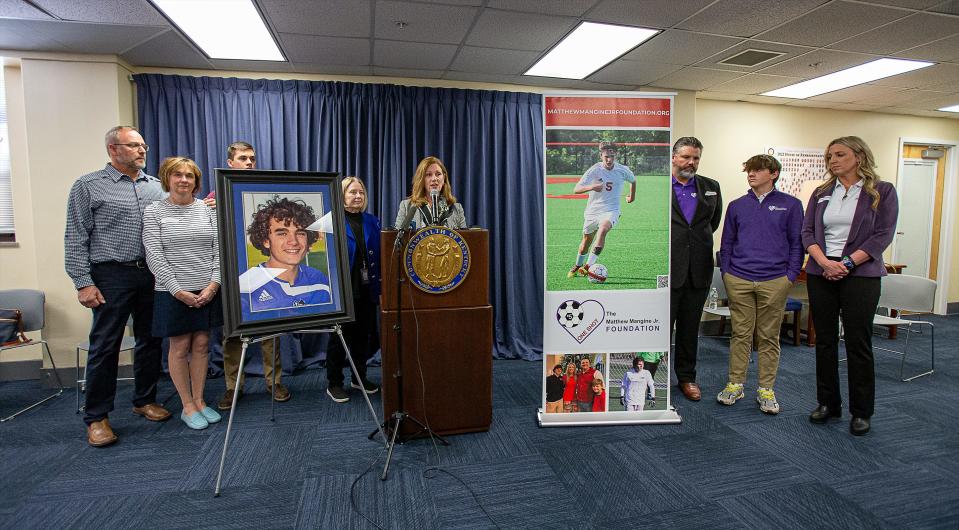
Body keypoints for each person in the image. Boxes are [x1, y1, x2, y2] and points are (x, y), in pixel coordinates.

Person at [65, 126, 172, 447]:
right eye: (134, 146)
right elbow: (75, 236)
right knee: (105, 346)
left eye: (143, 146)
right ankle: (97, 417)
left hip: (151, 274)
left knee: (151, 340)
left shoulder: (156, 188)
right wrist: (83, 283)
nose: (142, 151)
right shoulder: (88, 186)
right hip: (111, 275)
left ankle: (144, 400)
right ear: (113, 150)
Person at [802, 136, 898, 436]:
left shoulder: (881, 192)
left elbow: (882, 235)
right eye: (829, 156)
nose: (833, 160)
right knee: (825, 341)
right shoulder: (821, 192)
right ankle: (828, 403)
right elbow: (807, 231)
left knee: (858, 343)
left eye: (840, 154)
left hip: (860, 274)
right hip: (822, 272)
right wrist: (824, 262)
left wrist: (846, 264)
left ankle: (861, 411)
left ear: (859, 156)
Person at [717, 154, 803, 415]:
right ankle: (735, 383)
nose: (751, 174)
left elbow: (796, 244)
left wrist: (789, 276)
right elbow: (727, 243)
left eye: (757, 170)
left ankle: (766, 389)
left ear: (773, 173)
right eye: (748, 171)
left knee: (768, 336)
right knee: (740, 334)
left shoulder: (791, 205)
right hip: (739, 279)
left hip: (774, 280)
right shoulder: (737, 205)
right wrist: (727, 273)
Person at [142, 157, 222, 429]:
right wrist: (178, 291)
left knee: (201, 345)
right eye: (178, 174)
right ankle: (187, 406)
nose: (184, 180)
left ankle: (200, 400)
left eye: (190, 175)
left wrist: (213, 284)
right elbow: (154, 255)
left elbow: (219, 251)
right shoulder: (154, 211)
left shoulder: (207, 210)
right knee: (179, 348)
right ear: (167, 178)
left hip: (207, 289)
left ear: (196, 182)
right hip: (172, 291)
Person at [215, 142, 290, 410]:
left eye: (252, 159)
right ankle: (232, 387)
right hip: (232, 274)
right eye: (243, 158)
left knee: (271, 330)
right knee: (233, 334)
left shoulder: (264, 196)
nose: (249, 163)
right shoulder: (217, 197)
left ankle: (274, 382)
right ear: (230, 162)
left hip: (263, 271)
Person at [669, 136, 722, 401]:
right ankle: (654, 376)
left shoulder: (711, 187)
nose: (692, 162)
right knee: (661, 328)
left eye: (696, 158)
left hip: (698, 270)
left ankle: (687, 378)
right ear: (674, 157)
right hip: (667, 271)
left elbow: (711, 224)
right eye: (687, 157)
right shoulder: (659, 189)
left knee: (690, 329)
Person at [325, 177, 382, 403]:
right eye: (352, 193)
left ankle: (359, 378)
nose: (357, 196)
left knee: (363, 337)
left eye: (361, 192)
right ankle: (334, 383)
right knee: (338, 339)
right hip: (343, 291)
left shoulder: (372, 221)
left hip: (367, 290)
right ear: (341, 196)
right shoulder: (331, 222)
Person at [567, 142, 636, 280]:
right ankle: (576, 266)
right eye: (606, 157)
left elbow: (633, 181)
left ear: (615, 155)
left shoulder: (622, 170)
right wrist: (592, 186)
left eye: (611, 156)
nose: (609, 159)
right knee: (585, 242)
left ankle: (587, 267)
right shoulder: (594, 170)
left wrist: (631, 197)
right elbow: (576, 189)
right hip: (593, 212)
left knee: (603, 229)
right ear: (601, 156)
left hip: (611, 210)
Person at [394, 156, 467, 230]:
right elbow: (396, 237)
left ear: (444, 177)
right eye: (428, 174)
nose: (434, 179)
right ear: (421, 179)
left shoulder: (457, 209)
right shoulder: (406, 206)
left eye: (438, 174)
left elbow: (464, 239)